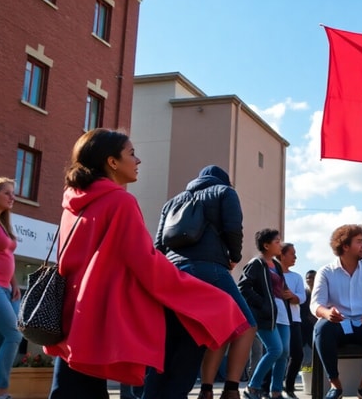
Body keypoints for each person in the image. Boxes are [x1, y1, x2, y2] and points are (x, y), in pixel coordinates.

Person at [47, 128, 248, 398]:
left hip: (74, 312)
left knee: (72, 390)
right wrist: (206, 297)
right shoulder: (120, 201)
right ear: (112, 162)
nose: (138, 160)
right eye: (131, 154)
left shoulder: (73, 203)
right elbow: (146, 264)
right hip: (106, 311)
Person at [151, 165, 258, 399]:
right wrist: (234, 257)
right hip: (210, 268)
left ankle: (206, 389)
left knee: (178, 338)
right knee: (246, 324)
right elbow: (233, 229)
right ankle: (230, 389)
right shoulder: (225, 192)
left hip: (172, 274)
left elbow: (158, 244)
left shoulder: (171, 202)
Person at [309, 224, 362, 399]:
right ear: (345, 246)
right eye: (359, 242)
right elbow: (316, 303)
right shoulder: (326, 272)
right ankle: (335, 386)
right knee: (322, 328)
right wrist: (327, 313)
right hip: (338, 324)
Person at [241, 229, 291, 399]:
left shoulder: (276, 265)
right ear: (266, 245)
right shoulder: (256, 263)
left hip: (281, 313)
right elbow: (243, 287)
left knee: (284, 352)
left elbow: (278, 289)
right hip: (265, 315)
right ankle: (252, 388)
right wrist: (262, 304)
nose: (280, 244)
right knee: (275, 349)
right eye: (277, 241)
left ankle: (276, 392)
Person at [0, 177, 22, 399]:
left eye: (13, 193)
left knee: (2, 338)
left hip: (8, 289)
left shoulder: (4, 223)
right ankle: (2, 391)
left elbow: (8, 255)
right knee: (14, 335)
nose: (12, 197)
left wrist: (15, 284)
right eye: (7, 193)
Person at [281, 243, 307, 398]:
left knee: (297, 354)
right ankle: (265, 385)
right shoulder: (272, 275)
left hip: (294, 320)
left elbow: (302, 298)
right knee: (278, 352)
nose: (295, 257)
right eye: (292, 254)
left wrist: (292, 296)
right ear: (282, 255)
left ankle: (288, 386)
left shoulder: (296, 277)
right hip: (277, 320)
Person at [300, 270, 318, 370]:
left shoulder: (320, 293)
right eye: (308, 278)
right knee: (306, 357)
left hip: (317, 327)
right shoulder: (303, 294)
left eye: (312, 277)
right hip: (304, 329)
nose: (310, 280)